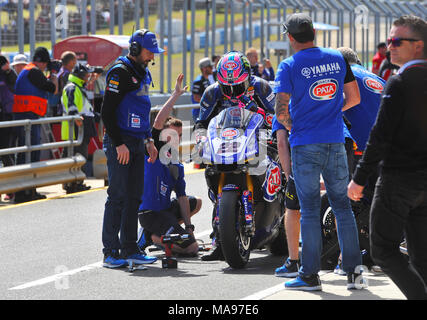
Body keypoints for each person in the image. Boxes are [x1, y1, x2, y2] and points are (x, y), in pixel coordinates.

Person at [275, 13, 365, 291]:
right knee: (342, 207)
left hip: (304, 143)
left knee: (311, 210)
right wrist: (328, 114)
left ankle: (310, 275)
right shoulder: (337, 58)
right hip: (336, 141)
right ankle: (353, 272)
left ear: (290, 37)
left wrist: (299, 124)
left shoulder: (288, 65)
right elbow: (355, 98)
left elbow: (281, 111)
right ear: (313, 32)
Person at [348, 15, 427, 300]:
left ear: (418, 45)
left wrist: (358, 179)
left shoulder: (400, 81)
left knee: (381, 249)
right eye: (390, 40)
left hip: (398, 180)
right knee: (420, 256)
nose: (390, 45)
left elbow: (379, 137)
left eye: (397, 41)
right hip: (422, 183)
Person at [195, 50, 276, 261]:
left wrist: (260, 114)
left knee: (283, 166)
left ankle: (286, 208)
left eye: (236, 86)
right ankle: (219, 241)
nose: (231, 91)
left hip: (259, 141)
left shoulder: (261, 87)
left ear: (247, 77)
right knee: (215, 183)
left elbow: (280, 116)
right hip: (226, 145)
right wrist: (200, 139)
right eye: (226, 86)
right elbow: (201, 122)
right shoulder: (212, 92)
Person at [101, 29, 163, 268]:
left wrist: (149, 140)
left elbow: (141, 109)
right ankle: (110, 252)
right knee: (117, 196)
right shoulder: (120, 72)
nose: (152, 57)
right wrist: (118, 144)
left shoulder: (142, 71)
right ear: (135, 49)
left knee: (134, 197)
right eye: (149, 52)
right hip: (121, 142)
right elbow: (106, 112)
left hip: (139, 141)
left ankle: (129, 248)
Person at [137, 73, 202, 257]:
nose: (176, 139)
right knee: (191, 248)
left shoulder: (175, 161)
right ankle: (152, 237)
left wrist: (189, 228)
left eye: (180, 136)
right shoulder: (154, 148)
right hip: (150, 213)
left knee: (195, 202)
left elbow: (181, 197)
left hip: (165, 210)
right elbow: (158, 121)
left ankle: (165, 233)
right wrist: (175, 95)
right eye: (173, 134)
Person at [12, 47, 58, 203]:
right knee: (30, 153)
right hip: (28, 117)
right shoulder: (34, 71)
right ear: (42, 62)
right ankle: (24, 191)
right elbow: (52, 88)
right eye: (46, 65)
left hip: (26, 117)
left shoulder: (29, 71)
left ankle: (27, 191)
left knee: (28, 153)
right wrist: (54, 74)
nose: (47, 67)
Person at [61, 63, 98, 194]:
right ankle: (72, 184)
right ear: (81, 75)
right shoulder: (72, 87)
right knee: (76, 155)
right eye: (86, 74)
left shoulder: (78, 87)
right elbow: (71, 106)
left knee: (80, 155)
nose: (88, 76)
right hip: (76, 128)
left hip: (81, 127)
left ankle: (76, 182)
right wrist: (76, 117)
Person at [0, 55, 18, 202]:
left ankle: (11, 189)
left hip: (6, 118)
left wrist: (8, 69)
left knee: (6, 153)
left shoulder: (7, 72)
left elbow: (14, 85)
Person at [191, 57, 216, 122]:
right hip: (199, 113)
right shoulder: (198, 81)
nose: (212, 69)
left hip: (207, 112)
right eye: (210, 67)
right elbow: (196, 97)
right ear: (204, 68)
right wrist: (211, 103)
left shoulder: (208, 79)